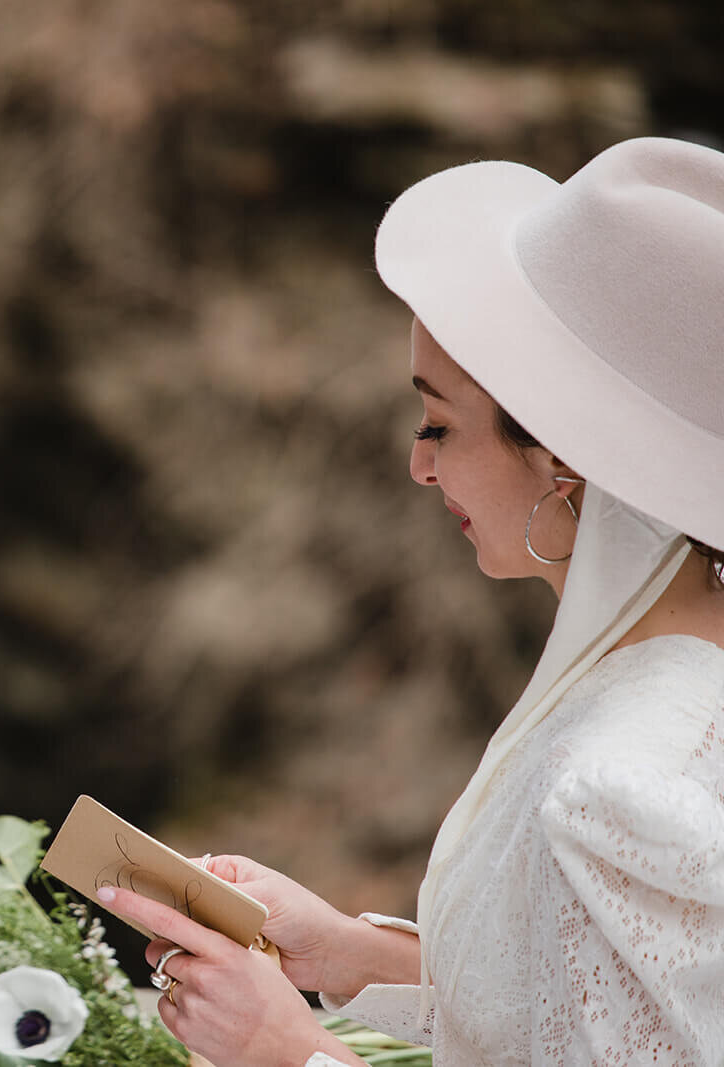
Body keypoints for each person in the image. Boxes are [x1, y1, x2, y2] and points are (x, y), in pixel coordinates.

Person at [102, 135, 724, 1064]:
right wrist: (342, 951)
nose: (418, 463)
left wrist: (289, 1050)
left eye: (437, 422)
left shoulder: (619, 781)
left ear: (560, 460)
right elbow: (585, 1013)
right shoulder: (668, 683)